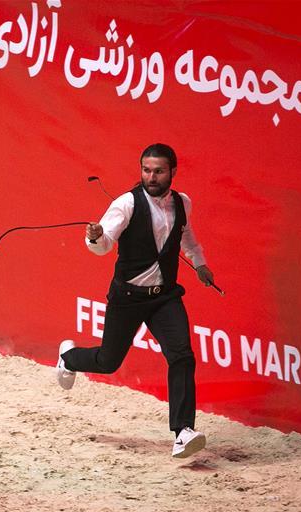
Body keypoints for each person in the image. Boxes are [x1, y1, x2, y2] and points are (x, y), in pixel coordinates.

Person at [57, 143, 215, 458]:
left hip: (165, 297)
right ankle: (69, 358)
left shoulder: (183, 203)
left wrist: (199, 264)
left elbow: (187, 237)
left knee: (181, 355)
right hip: (128, 297)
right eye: (146, 170)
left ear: (172, 171)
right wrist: (94, 236)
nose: (151, 176)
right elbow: (103, 247)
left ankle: (183, 431)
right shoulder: (126, 204)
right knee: (108, 361)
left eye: (158, 171)